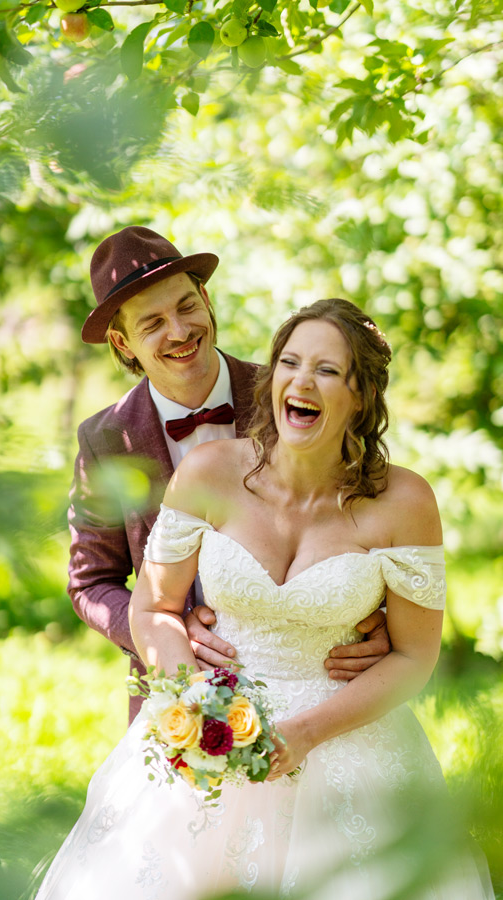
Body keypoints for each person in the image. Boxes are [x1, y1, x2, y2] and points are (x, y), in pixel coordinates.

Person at [36, 299, 494, 900]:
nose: (302, 381)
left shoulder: (405, 503)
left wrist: (305, 733)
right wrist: (195, 701)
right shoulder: (208, 471)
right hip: (209, 730)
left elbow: (414, 657)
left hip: (345, 738)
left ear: (362, 396)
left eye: (327, 371)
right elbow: (152, 607)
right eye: (290, 363)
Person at [69, 226, 389, 722]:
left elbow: (371, 511)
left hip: (319, 685)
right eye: (152, 323)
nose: (179, 331)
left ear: (207, 298)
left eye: (186, 306)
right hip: (180, 697)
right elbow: (90, 583)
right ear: (123, 342)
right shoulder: (106, 440)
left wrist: (384, 619)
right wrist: (166, 635)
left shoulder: (292, 394)